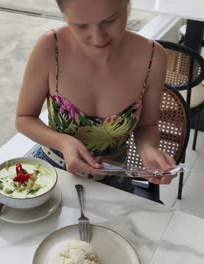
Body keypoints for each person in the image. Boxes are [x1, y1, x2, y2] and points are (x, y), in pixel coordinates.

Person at [15, 0, 175, 201]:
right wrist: (64, 143)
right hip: (51, 175)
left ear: (128, 5)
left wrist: (148, 149)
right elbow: (24, 118)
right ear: (65, 16)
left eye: (110, 20)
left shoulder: (153, 58)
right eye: (81, 26)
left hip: (114, 178)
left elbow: (147, 124)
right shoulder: (50, 48)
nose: (98, 38)